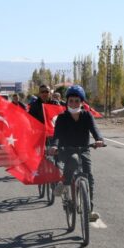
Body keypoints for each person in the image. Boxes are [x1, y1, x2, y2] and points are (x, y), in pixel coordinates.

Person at [48, 85, 104, 222]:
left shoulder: (87, 115)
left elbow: (95, 129)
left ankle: (89, 211)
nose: (74, 103)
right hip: (66, 150)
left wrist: (99, 139)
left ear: (82, 102)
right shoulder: (62, 118)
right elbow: (57, 135)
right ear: (67, 102)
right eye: (71, 101)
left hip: (83, 149)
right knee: (73, 159)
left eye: (77, 101)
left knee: (89, 176)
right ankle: (64, 183)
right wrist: (54, 146)